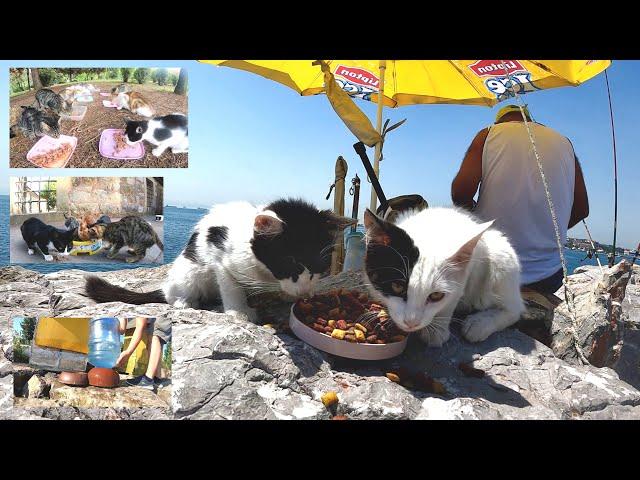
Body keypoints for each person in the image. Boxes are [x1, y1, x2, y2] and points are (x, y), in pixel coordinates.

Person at [451, 104, 589, 294]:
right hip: (548, 275)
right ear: (529, 119)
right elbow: (582, 210)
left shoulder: (489, 134)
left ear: (499, 122)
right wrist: (545, 232)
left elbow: (460, 193)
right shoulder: (565, 143)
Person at [116, 316, 171, 390]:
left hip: (163, 313)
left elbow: (140, 325)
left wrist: (128, 352)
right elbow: (122, 330)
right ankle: (157, 378)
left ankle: (148, 379)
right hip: (154, 314)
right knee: (152, 336)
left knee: (156, 336)